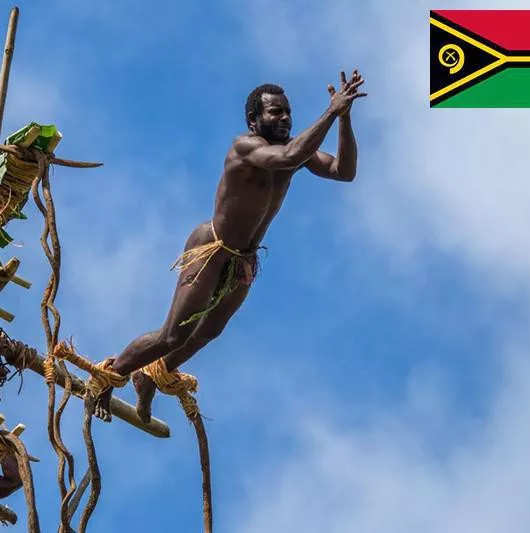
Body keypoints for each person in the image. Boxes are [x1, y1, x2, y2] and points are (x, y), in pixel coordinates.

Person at [93, 70, 367, 422]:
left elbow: (343, 171)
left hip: (244, 259)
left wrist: (343, 119)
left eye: (287, 112)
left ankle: (149, 375)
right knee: (173, 334)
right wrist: (330, 112)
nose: (284, 118)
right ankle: (106, 378)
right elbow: (285, 159)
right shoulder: (246, 146)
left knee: (210, 330)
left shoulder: (297, 148)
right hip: (213, 248)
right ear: (254, 121)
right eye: (275, 112)